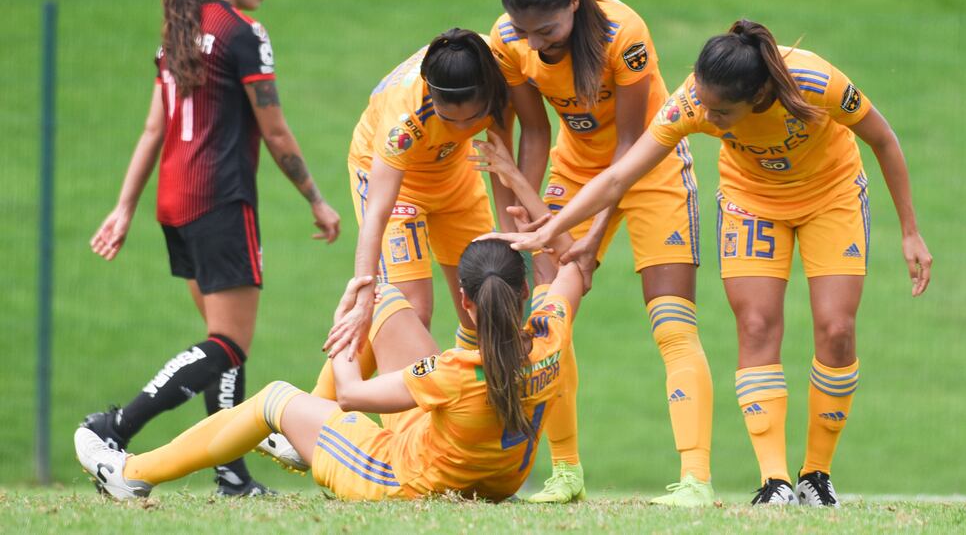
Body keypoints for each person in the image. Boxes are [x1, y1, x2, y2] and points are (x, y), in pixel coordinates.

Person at [497, 19, 933, 506]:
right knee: (755, 324)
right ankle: (776, 482)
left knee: (836, 330)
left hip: (830, 195)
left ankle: (816, 474)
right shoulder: (692, 101)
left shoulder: (815, 82)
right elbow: (619, 176)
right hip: (751, 200)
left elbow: (884, 140)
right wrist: (553, 228)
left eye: (722, 112)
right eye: (703, 102)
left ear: (761, 93)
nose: (707, 116)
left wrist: (911, 231)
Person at [74, 138, 586, 503]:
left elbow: (353, 396)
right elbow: (574, 265)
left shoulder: (452, 373)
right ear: (523, 291)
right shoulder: (550, 330)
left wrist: (347, 320)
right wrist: (521, 187)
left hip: (406, 477)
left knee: (275, 396)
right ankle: (307, 438)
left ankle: (131, 473)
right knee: (384, 299)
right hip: (495, 478)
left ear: (465, 300)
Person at [84, 0, 341, 496]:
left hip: (174, 203)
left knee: (219, 339)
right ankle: (114, 430)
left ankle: (231, 475)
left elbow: (155, 129)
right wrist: (318, 200)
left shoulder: (178, 30)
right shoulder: (243, 32)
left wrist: (124, 207)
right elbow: (275, 132)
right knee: (228, 342)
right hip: (221, 200)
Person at [487, 0, 713, 506]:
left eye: (545, 30)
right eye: (524, 31)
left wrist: (589, 238)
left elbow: (630, 150)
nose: (535, 42)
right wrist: (522, 218)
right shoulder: (508, 39)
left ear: (574, 1)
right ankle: (565, 473)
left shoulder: (623, 33)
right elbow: (534, 135)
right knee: (548, 321)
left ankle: (696, 481)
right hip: (575, 168)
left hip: (649, 168)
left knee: (672, 326)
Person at [315, 28, 515, 390]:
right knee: (411, 313)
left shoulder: (499, 75)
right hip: (397, 185)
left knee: (486, 302)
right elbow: (376, 211)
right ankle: (320, 408)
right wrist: (363, 296)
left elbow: (500, 164)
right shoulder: (403, 122)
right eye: (448, 119)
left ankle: (475, 395)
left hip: (456, 175)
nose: (461, 128)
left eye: (471, 120)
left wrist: (509, 239)